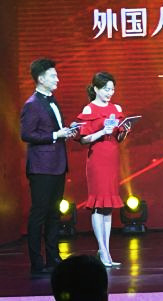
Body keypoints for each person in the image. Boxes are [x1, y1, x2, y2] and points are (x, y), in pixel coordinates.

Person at [20, 58, 77, 277]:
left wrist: (66, 131)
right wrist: (55, 135)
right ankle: (37, 262)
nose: (57, 79)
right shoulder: (32, 104)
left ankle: (54, 258)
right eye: (53, 76)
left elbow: (53, 129)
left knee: (54, 213)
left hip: (57, 165)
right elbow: (27, 134)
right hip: (41, 167)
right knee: (39, 214)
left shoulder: (52, 100)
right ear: (41, 79)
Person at [75, 72, 133, 267]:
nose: (110, 93)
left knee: (108, 205)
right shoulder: (89, 109)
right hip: (97, 159)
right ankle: (102, 249)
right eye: (106, 89)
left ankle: (106, 250)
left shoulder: (116, 108)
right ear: (96, 89)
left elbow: (118, 137)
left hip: (112, 158)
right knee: (99, 204)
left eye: (112, 89)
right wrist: (101, 131)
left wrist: (124, 132)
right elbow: (83, 139)